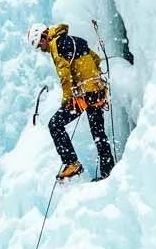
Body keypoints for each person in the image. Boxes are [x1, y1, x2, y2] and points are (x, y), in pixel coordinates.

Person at [31, 24, 115, 181]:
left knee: (55, 124)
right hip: (96, 90)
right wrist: (92, 79)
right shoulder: (73, 40)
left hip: (85, 93)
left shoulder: (56, 44)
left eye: (39, 44)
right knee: (98, 133)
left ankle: (71, 163)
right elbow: (95, 58)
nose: (41, 49)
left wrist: (67, 100)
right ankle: (108, 172)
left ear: (44, 36)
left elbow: (65, 75)